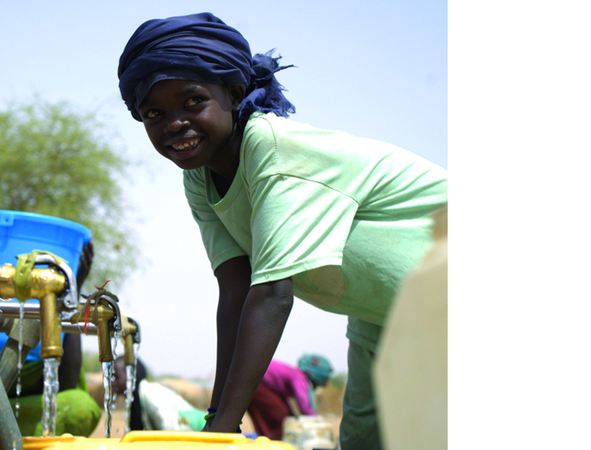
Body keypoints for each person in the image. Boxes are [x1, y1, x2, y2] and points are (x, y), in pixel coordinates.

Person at [117, 13, 448, 450]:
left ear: (234, 94)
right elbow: (235, 293)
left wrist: (221, 434)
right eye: (154, 113)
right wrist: (216, 423)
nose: (174, 123)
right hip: (382, 316)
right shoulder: (198, 177)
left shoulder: (272, 148)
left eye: (193, 101)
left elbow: (272, 293)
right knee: (365, 440)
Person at [0, 211, 101, 438]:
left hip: (20, 400)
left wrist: (70, 292)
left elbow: (67, 381)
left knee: (79, 405)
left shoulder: (34, 358)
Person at [247, 354, 332, 440]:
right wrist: (316, 419)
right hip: (256, 381)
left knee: (282, 414)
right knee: (279, 415)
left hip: (254, 380)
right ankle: (273, 443)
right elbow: (304, 404)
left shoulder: (294, 374)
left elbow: (282, 399)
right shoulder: (300, 377)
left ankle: (266, 441)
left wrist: (292, 415)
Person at [111, 357, 207, 432]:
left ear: (131, 375)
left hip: (201, 428)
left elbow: (171, 430)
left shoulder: (150, 393)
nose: (112, 382)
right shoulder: (134, 402)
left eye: (116, 377)